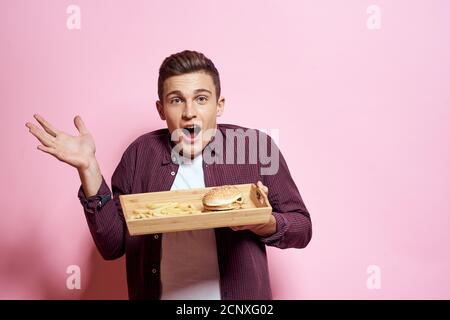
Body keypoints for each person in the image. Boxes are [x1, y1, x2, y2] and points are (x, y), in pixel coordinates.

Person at [25, 50, 312, 300]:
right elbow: (113, 246)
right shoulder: (140, 154)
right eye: (176, 100)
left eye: (201, 98)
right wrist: (88, 167)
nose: (189, 112)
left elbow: (302, 228)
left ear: (219, 105)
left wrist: (264, 223)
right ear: (161, 109)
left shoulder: (255, 148)